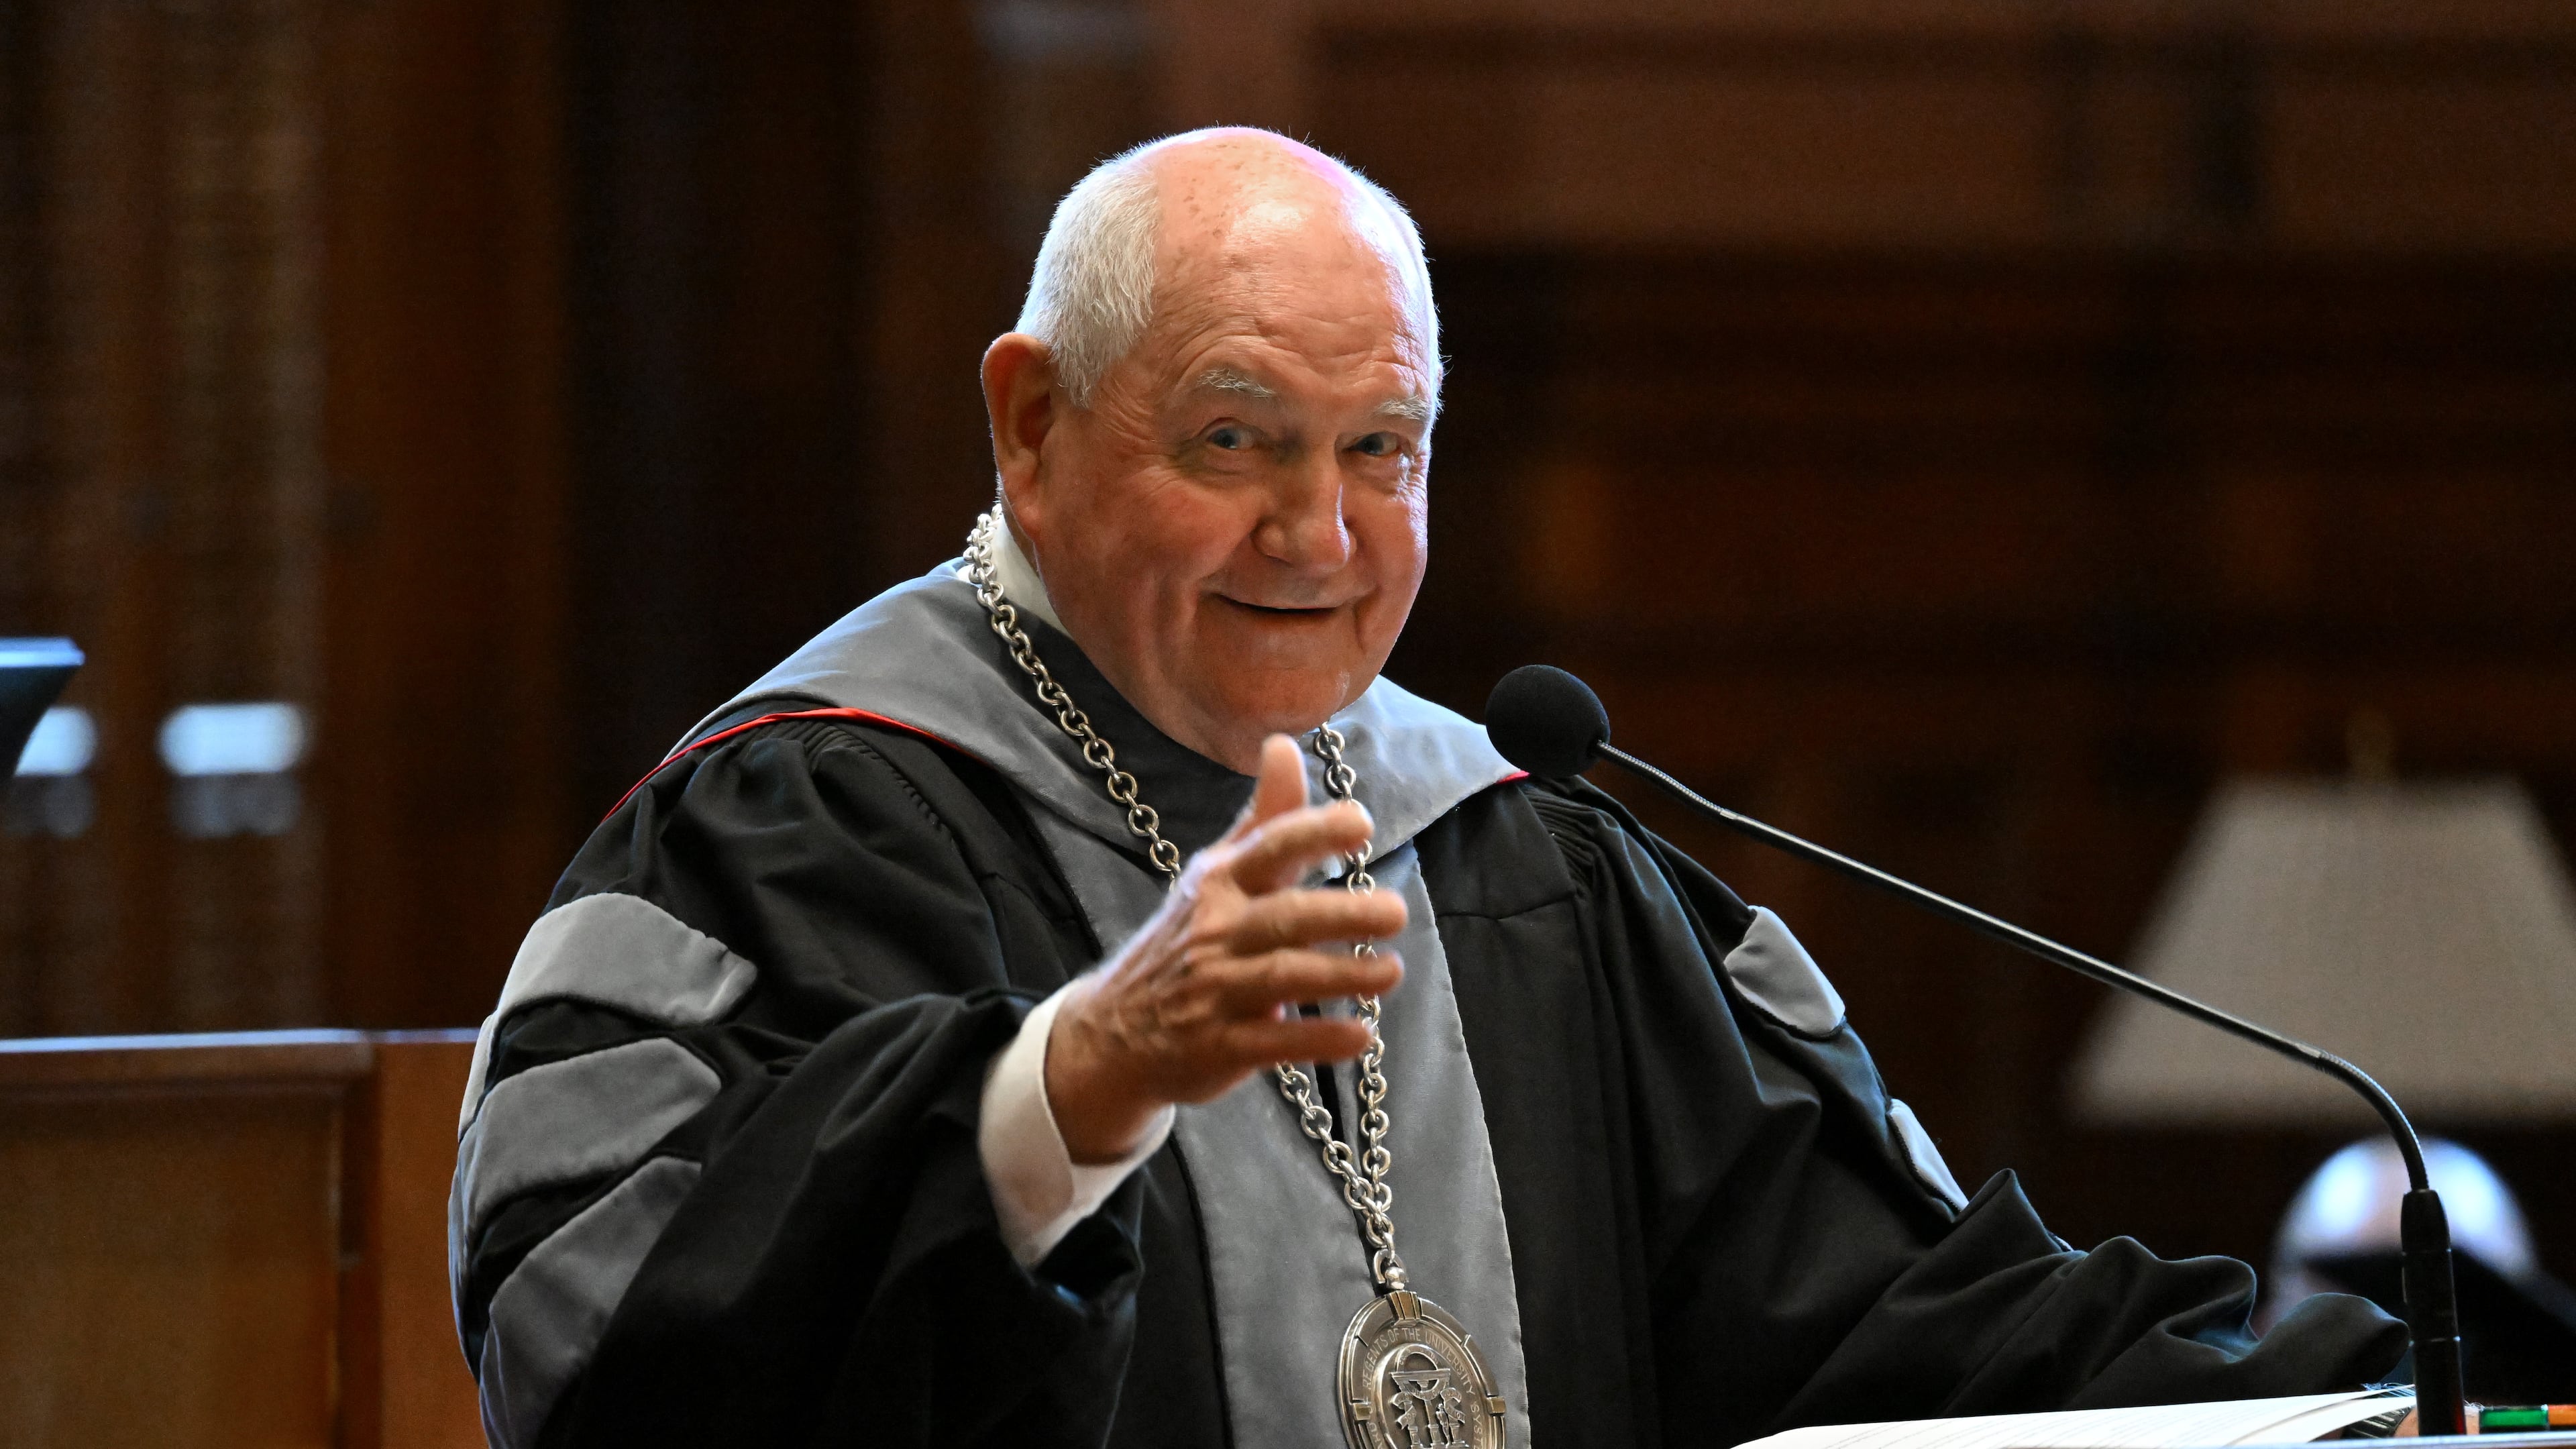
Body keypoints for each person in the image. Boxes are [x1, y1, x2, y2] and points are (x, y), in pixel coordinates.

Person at [448, 127, 2404, 1449]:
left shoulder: (1519, 852)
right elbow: (607, 1346)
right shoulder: (800, 826)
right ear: (1031, 426)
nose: (1318, 530)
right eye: (1237, 438)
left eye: (1383, 448)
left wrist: (2408, 1398)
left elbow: (1907, 1314)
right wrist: (1073, 1085)